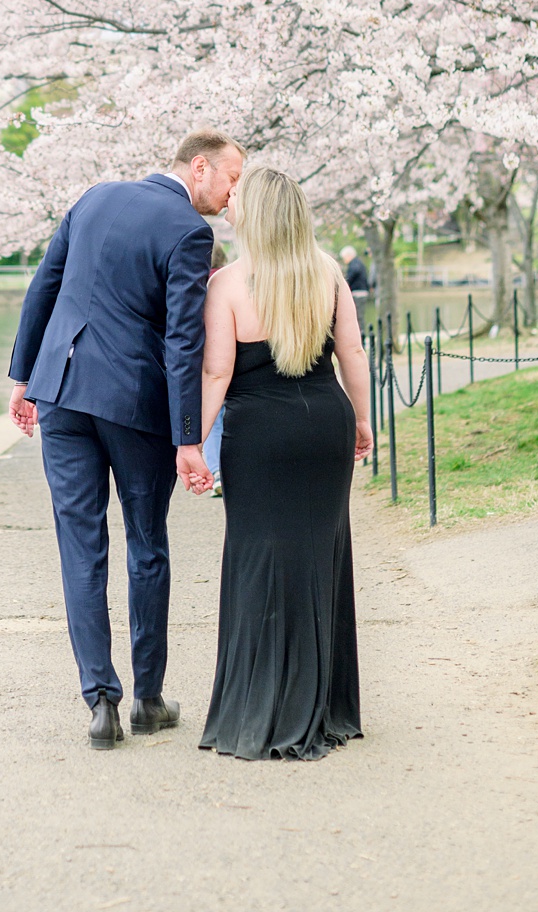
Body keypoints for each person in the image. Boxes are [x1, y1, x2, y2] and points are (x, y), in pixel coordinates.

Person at [7, 130, 244, 748]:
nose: (232, 193)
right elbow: (183, 339)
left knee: (80, 546)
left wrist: (22, 377)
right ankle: (147, 698)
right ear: (200, 168)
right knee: (146, 543)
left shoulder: (92, 198)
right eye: (231, 178)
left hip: (59, 389)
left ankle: (100, 703)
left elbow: (44, 287)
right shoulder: (192, 233)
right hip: (133, 407)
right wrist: (189, 436)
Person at [196, 165, 372, 760]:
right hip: (326, 421)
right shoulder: (329, 275)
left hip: (259, 434)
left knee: (257, 558)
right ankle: (324, 705)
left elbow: (217, 372)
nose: (230, 203)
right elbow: (351, 351)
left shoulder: (227, 285)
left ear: (258, 215)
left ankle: (260, 706)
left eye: (238, 198)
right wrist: (364, 421)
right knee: (320, 556)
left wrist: (190, 442)